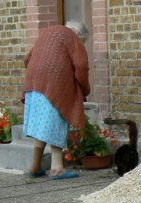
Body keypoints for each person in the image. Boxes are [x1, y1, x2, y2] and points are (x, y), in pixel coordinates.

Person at [22, 21, 90, 180]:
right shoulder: (72, 37)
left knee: (43, 123)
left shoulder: (48, 32)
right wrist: (85, 88)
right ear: (80, 36)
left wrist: (39, 74)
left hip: (34, 81)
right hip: (54, 82)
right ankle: (57, 168)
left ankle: (34, 166)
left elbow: (27, 58)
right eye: (83, 42)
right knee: (57, 120)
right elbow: (81, 65)